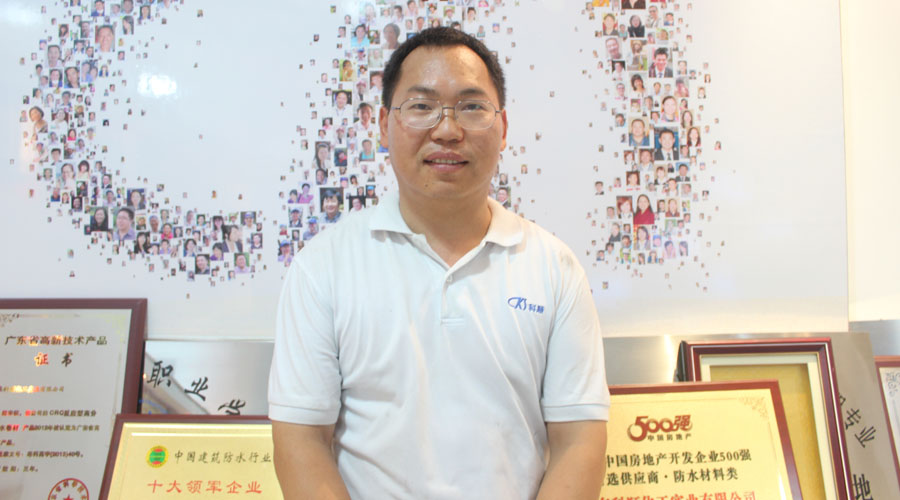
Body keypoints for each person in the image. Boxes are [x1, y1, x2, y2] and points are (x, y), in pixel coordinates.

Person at [269, 27, 609, 500]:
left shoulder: (554, 268)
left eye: (471, 107)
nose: (447, 130)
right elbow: (301, 440)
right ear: (384, 124)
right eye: (421, 106)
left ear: (503, 127)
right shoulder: (323, 267)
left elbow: (579, 443)